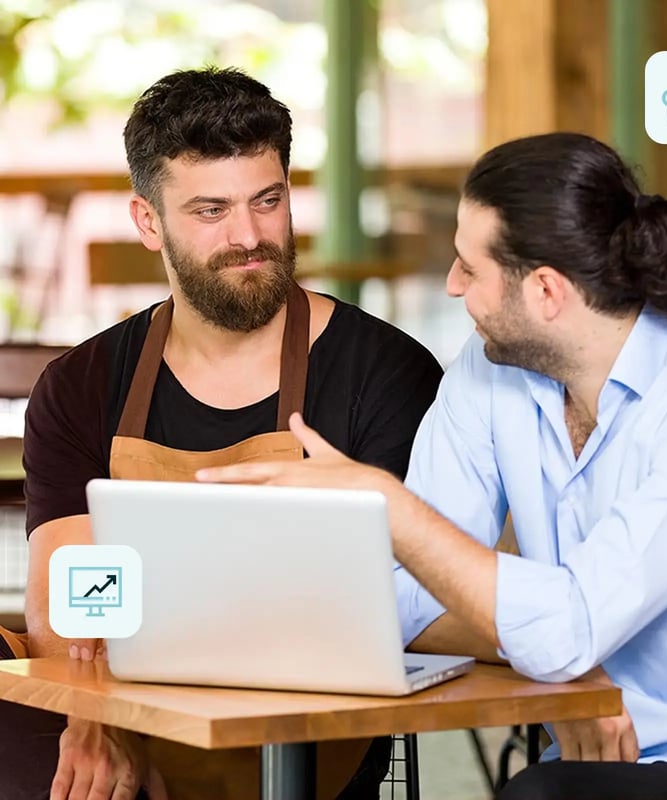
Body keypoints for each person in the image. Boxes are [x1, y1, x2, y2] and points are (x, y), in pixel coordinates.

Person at [198, 132, 667, 800]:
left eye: (470, 269)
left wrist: (388, 508)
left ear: (545, 290)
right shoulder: (490, 373)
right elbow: (397, 600)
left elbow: (553, 627)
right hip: (580, 759)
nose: (453, 287)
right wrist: (570, 660)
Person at [0, 66, 443, 800]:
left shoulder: (386, 372)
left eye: (267, 201)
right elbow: (69, 603)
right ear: (148, 222)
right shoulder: (80, 385)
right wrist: (105, 720)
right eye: (210, 210)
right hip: (119, 711)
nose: (249, 237)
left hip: (299, 728)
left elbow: (400, 607)